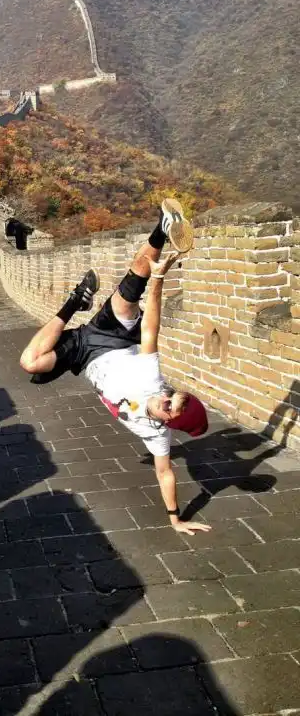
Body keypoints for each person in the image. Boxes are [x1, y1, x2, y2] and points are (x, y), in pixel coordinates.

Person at [20, 199, 212, 536]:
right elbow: (150, 329)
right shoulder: (151, 380)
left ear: (169, 422)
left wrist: (175, 519)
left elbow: (165, 473)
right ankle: (162, 227)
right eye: (174, 395)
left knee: (29, 363)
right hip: (114, 338)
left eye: (170, 406)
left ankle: (76, 300)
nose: (166, 398)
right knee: (134, 281)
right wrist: (158, 279)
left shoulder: (157, 436)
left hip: (84, 356)